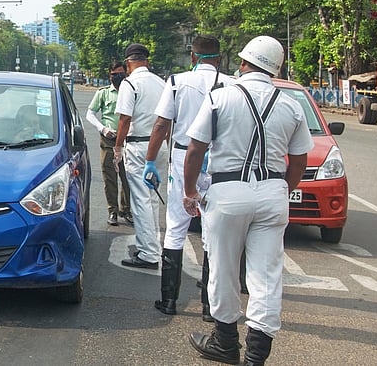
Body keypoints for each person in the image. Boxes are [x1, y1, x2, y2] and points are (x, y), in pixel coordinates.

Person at [182, 36, 313, 365]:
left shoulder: (221, 97)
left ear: (243, 63)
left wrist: (189, 191)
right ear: (276, 69)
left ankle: (225, 343)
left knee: (223, 270)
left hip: (228, 193)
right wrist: (281, 189)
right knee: (266, 276)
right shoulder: (291, 106)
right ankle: (256, 357)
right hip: (272, 193)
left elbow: (196, 149)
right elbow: (299, 161)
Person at [143, 35, 235, 318]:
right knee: (212, 233)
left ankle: (169, 301)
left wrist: (150, 161)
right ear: (219, 59)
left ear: (193, 57)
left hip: (184, 157)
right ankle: (209, 306)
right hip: (218, 160)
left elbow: (161, 125)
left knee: (176, 227)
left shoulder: (177, 82)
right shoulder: (232, 85)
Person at [114, 43, 166, 269]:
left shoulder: (130, 83)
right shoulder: (161, 83)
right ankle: (153, 246)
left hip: (138, 146)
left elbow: (125, 119)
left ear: (128, 63)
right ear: (147, 61)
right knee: (153, 198)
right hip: (159, 145)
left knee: (140, 200)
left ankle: (148, 253)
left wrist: (117, 147)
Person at [86, 61, 132, 226]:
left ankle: (126, 210)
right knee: (110, 178)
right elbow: (90, 114)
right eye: (114, 74)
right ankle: (113, 211)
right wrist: (102, 128)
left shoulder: (131, 91)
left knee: (128, 178)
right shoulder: (104, 93)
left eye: (120, 74)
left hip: (128, 140)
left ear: (126, 73)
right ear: (109, 75)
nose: (117, 77)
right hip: (108, 140)